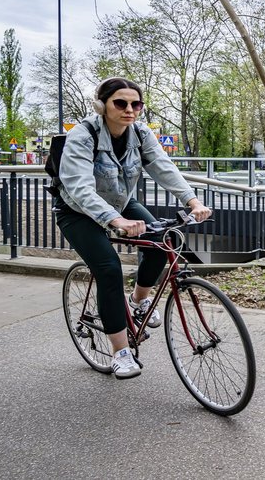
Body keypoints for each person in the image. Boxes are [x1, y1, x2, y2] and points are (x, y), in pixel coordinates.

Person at [54, 77, 211, 379]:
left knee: (164, 242)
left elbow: (163, 167)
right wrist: (115, 220)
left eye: (136, 104)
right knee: (109, 270)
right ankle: (120, 353)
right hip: (77, 210)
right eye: (121, 103)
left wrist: (192, 200)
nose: (130, 109)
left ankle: (138, 301)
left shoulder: (139, 133)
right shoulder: (83, 135)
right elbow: (80, 188)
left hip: (119, 201)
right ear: (102, 105)